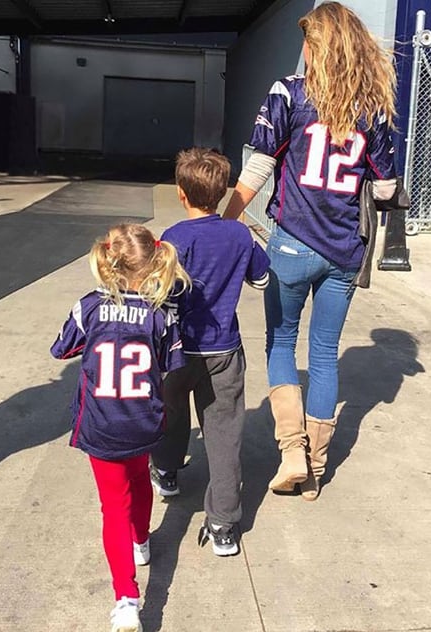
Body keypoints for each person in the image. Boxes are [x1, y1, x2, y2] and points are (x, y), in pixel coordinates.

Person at [223, 1, 400, 500]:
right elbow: (386, 193)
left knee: (281, 344)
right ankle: (316, 469)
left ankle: (292, 453)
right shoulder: (375, 111)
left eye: (307, 40)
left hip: (292, 246)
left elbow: (258, 171)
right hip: (345, 250)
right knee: (324, 355)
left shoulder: (289, 93)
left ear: (318, 48)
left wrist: (223, 223)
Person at [50, 223, 190, 632]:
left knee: (113, 506)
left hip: (101, 424)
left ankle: (127, 598)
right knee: (140, 481)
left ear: (108, 261)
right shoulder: (160, 313)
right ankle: (142, 541)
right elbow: (170, 363)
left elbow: (62, 348)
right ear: (153, 265)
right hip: (143, 419)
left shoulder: (89, 306)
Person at [149, 147, 270, 556]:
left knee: (172, 409)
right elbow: (261, 277)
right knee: (223, 430)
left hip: (179, 348)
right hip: (225, 349)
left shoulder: (174, 238)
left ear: (181, 193)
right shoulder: (240, 234)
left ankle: (167, 472)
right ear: (223, 193)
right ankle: (223, 524)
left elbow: (158, 292)